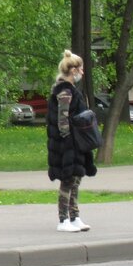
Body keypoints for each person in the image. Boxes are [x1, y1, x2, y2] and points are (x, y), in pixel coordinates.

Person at [47, 50, 96, 232]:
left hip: (76, 144)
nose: (83, 72)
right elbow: (63, 121)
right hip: (67, 145)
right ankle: (63, 220)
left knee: (75, 180)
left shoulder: (71, 90)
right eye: (81, 69)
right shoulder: (65, 91)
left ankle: (75, 217)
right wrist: (69, 141)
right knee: (67, 181)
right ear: (73, 70)